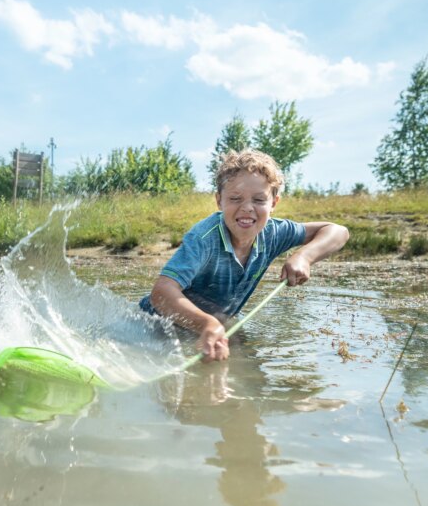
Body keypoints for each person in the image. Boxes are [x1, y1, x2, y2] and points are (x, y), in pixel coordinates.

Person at [139, 149, 349, 361]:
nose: (247, 208)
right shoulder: (204, 238)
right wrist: (206, 324)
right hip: (155, 325)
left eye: (259, 200)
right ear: (219, 201)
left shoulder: (273, 233)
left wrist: (305, 256)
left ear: (274, 203)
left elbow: (338, 231)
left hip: (214, 325)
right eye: (235, 198)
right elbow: (162, 292)